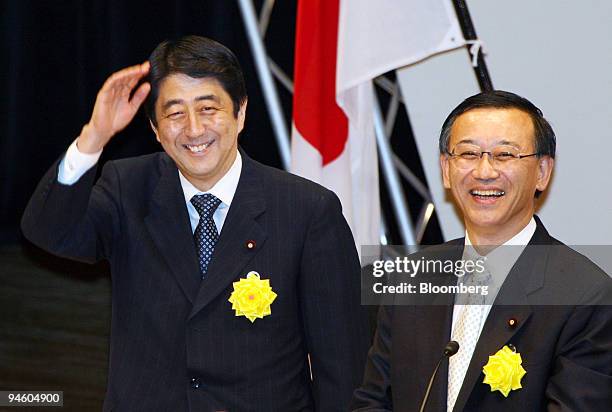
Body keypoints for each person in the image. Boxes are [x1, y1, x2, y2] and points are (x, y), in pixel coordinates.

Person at [22, 35, 370, 411]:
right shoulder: (128, 188)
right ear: (155, 128)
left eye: (208, 109)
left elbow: (342, 367)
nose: (193, 129)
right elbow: (50, 232)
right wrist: (94, 137)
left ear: (240, 112)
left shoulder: (307, 211)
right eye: (174, 113)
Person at [352, 90, 612, 411]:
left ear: (542, 172)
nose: (484, 171)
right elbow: (373, 401)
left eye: (504, 155)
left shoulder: (586, 295)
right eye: (468, 154)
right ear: (446, 169)